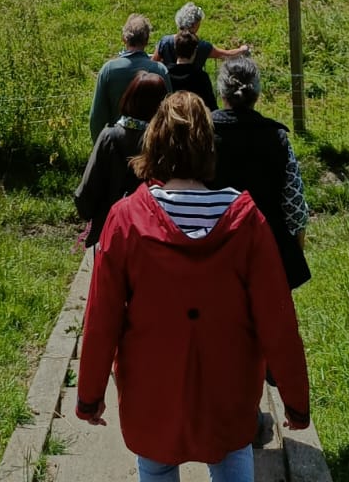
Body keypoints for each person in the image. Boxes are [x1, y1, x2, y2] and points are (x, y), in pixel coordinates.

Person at [75, 91, 310, 482]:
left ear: (153, 142)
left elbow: (102, 318)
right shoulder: (247, 219)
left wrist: (89, 396)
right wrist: (295, 400)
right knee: (233, 460)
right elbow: (278, 320)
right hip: (229, 392)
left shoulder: (126, 219)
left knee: (156, 467)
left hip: (152, 394)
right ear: (208, 146)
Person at [211, 56, 311, 290]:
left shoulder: (203, 133)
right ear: (257, 94)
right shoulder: (277, 138)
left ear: (221, 92)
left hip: (213, 247)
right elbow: (295, 207)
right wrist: (293, 251)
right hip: (267, 248)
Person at [74, 72, 168, 247]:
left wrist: (91, 214)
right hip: (153, 237)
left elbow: (87, 191)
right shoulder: (166, 141)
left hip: (110, 233)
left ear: (128, 98)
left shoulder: (110, 137)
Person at [89, 14, 171, 142]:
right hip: (151, 145)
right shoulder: (160, 70)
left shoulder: (109, 70)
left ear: (124, 39)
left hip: (117, 143)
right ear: (147, 40)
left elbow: (97, 116)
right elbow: (169, 113)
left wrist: (99, 147)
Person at [152, 1, 249, 71]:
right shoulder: (202, 46)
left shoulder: (165, 42)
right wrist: (242, 50)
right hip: (193, 90)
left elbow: (153, 64)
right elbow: (225, 54)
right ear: (194, 25)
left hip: (170, 90)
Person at [163, 29, 216, 110]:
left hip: (170, 118)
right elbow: (211, 106)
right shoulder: (201, 76)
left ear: (175, 47)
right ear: (195, 50)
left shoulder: (164, 73)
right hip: (195, 120)